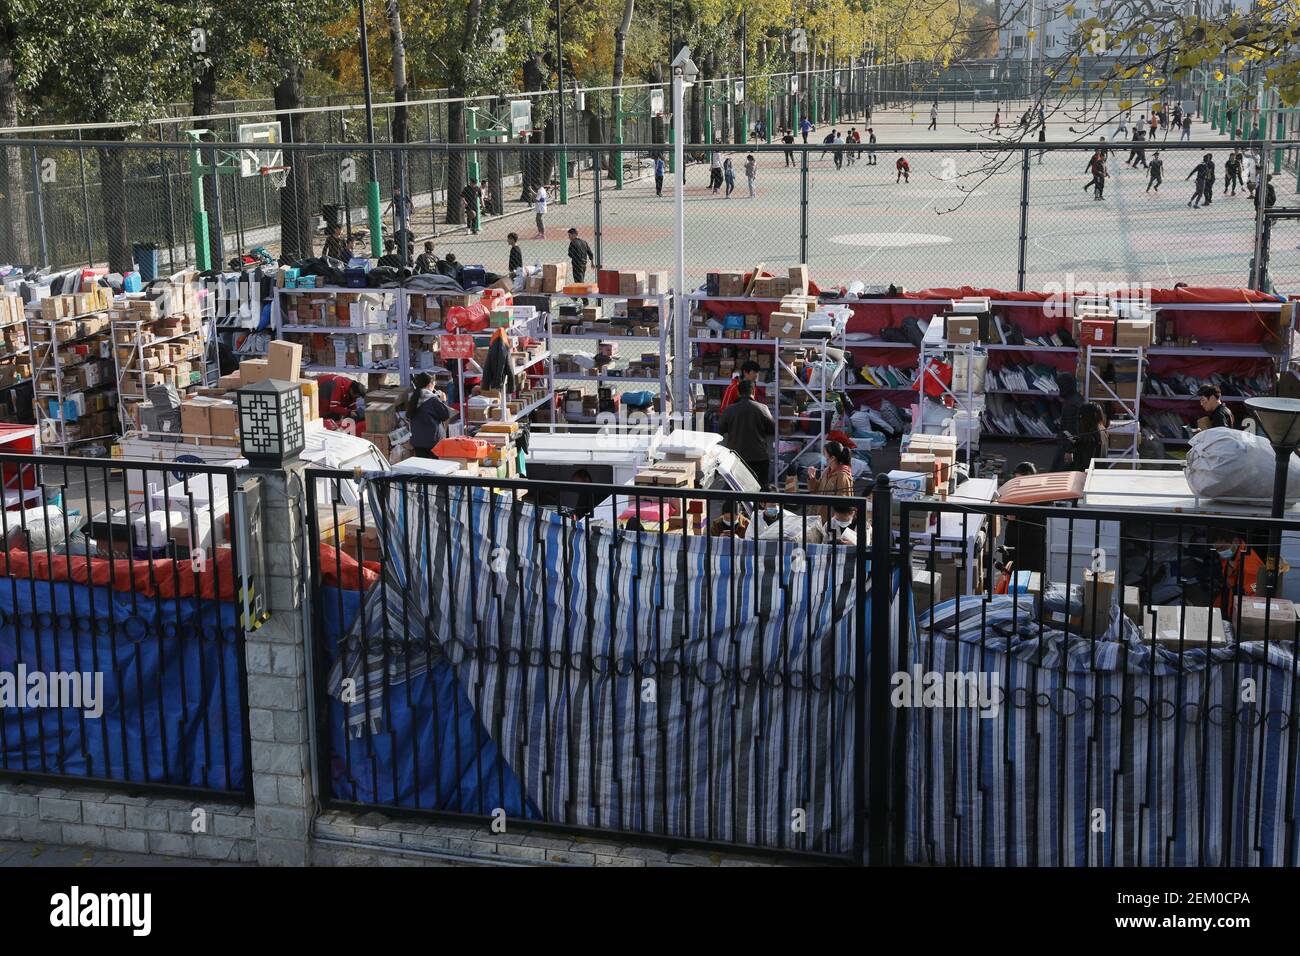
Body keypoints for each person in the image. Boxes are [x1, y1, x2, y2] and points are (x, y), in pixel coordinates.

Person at [717, 378, 775, 484]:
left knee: (735, 489)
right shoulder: (762, 408)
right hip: (759, 457)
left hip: (735, 457)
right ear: (754, 391)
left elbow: (721, 429)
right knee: (761, 489)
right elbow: (772, 429)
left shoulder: (729, 410)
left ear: (738, 392)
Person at [1211, 531, 1266, 616]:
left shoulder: (1249, 567)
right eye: (1217, 549)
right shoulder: (1230, 554)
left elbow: (1255, 601)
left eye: (1222, 548)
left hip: (1242, 613)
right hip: (1228, 604)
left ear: (1235, 542)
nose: (1219, 552)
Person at [406, 371, 452, 458]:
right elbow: (445, 415)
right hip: (433, 440)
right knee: (434, 467)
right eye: (434, 382)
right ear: (429, 384)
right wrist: (443, 400)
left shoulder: (413, 398)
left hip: (417, 441)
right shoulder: (433, 399)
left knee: (423, 467)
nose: (435, 384)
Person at [806, 440, 855, 518]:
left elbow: (843, 503)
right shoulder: (827, 471)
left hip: (832, 521)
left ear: (832, 458)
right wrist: (812, 478)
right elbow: (816, 490)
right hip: (819, 517)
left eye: (825, 454)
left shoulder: (842, 475)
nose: (823, 456)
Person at [1073, 402, 1107, 471]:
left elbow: (1086, 463)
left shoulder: (1090, 437)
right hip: (1100, 471)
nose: (1080, 419)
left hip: (1089, 475)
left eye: (1081, 416)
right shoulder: (1102, 429)